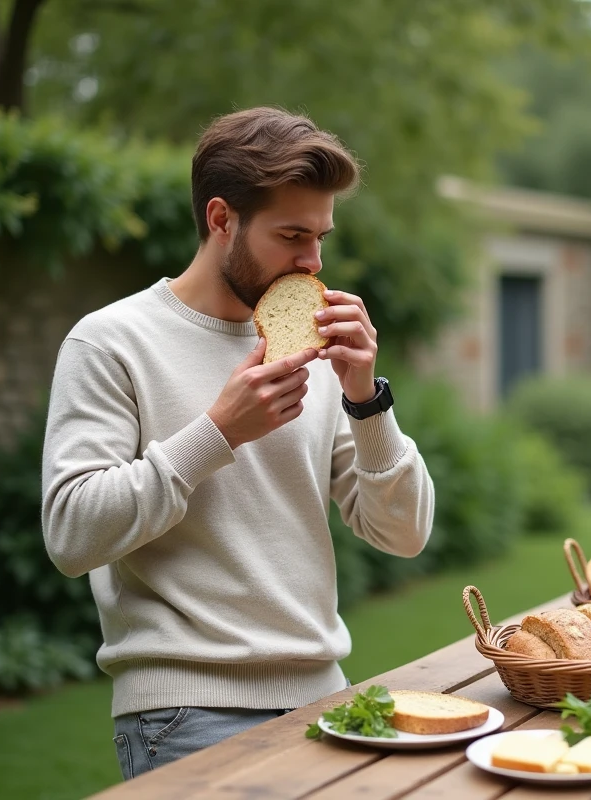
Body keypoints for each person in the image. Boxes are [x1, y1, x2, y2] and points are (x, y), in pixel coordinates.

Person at [40, 107, 435, 780]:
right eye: (292, 235)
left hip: (326, 699)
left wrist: (367, 398)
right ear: (222, 220)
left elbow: (403, 533)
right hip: (186, 716)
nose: (313, 261)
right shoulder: (110, 342)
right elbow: (71, 534)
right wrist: (217, 434)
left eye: (321, 237)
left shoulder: (310, 345)